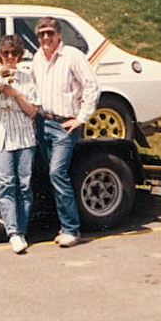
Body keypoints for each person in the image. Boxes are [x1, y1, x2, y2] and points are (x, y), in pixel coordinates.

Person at [31, 17, 100, 248]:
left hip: (64, 126)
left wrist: (81, 118)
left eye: (50, 33)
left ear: (59, 34)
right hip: (43, 123)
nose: (46, 37)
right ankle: (62, 224)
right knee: (52, 176)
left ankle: (72, 229)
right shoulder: (37, 58)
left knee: (57, 173)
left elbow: (92, 85)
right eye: (41, 33)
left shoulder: (72, 56)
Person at [0, 35, 39, 254]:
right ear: (0, 55)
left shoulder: (26, 77)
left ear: (20, 56)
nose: (10, 57)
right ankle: (13, 233)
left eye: (14, 53)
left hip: (23, 137)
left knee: (24, 185)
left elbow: (32, 110)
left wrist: (15, 93)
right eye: (6, 53)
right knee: (5, 185)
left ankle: (21, 230)